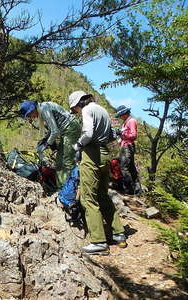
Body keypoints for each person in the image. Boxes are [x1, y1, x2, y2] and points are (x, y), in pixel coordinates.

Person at [68, 91, 126, 255]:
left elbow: (88, 133)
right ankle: (119, 233)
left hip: (91, 155)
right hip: (105, 154)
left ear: (79, 103)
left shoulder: (87, 110)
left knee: (88, 198)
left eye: (75, 109)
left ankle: (99, 242)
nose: (76, 112)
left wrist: (78, 145)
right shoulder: (102, 110)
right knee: (102, 195)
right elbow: (109, 136)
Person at [19, 100, 81, 188]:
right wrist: (45, 139)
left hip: (70, 128)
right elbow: (52, 129)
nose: (31, 118)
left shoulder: (44, 109)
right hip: (66, 130)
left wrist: (47, 144)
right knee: (59, 162)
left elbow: (55, 131)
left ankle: (70, 191)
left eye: (29, 115)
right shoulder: (42, 108)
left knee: (67, 161)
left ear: (32, 110)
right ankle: (62, 188)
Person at [114, 105, 140, 195]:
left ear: (124, 114)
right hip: (126, 146)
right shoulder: (126, 122)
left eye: (120, 115)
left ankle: (129, 189)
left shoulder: (131, 121)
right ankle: (137, 189)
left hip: (127, 146)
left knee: (124, 168)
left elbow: (133, 135)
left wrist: (121, 133)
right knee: (131, 167)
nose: (120, 117)